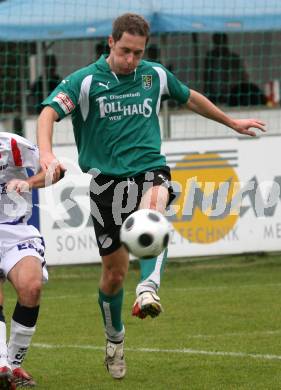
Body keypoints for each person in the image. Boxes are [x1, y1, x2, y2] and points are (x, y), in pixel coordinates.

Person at [36, 13, 266, 380]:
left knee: (154, 206)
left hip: (149, 170)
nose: (131, 60)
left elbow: (190, 98)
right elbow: (48, 112)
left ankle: (148, 287)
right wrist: (46, 153)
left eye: (138, 53)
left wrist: (232, 122)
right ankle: (114, 340)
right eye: (125, 51)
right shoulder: (85, 81)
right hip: (105, 185)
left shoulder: (153, 75)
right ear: (110, 43)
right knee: (113, 276)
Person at [0, 132, 63, 389]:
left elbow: (56, 172)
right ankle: (2, 364)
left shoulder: (11, 144)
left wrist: (29, 183)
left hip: (16, 230)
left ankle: (12, 365)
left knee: (32, 287)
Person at [204, 33, 246, 104]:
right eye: (217, 41)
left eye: (221, 41)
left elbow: (239, 75)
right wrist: (206, 88)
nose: (219, 44)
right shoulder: (209, 57)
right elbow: (206, 74)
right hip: (212, 93)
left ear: (225, 41)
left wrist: (231, 87)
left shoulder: (233, 57)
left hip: (230, 92)